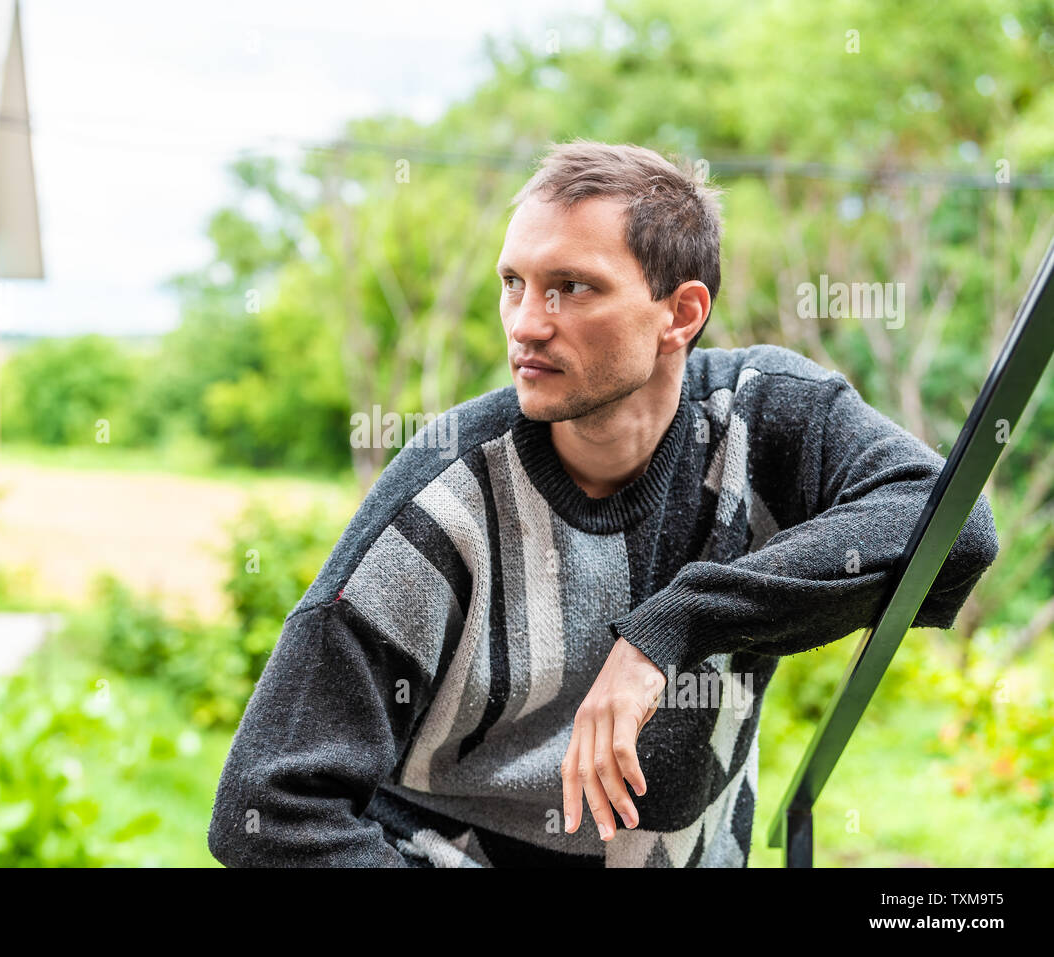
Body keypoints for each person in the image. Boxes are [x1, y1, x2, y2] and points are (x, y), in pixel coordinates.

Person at [206, 140, 1000, 867]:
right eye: (513, 284)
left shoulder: (768, 416)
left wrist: (672, 625)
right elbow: (269, 807)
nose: (525, 325)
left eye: (570, 288)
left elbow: (951, 523)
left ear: (680, 314)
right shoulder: (444, 490)